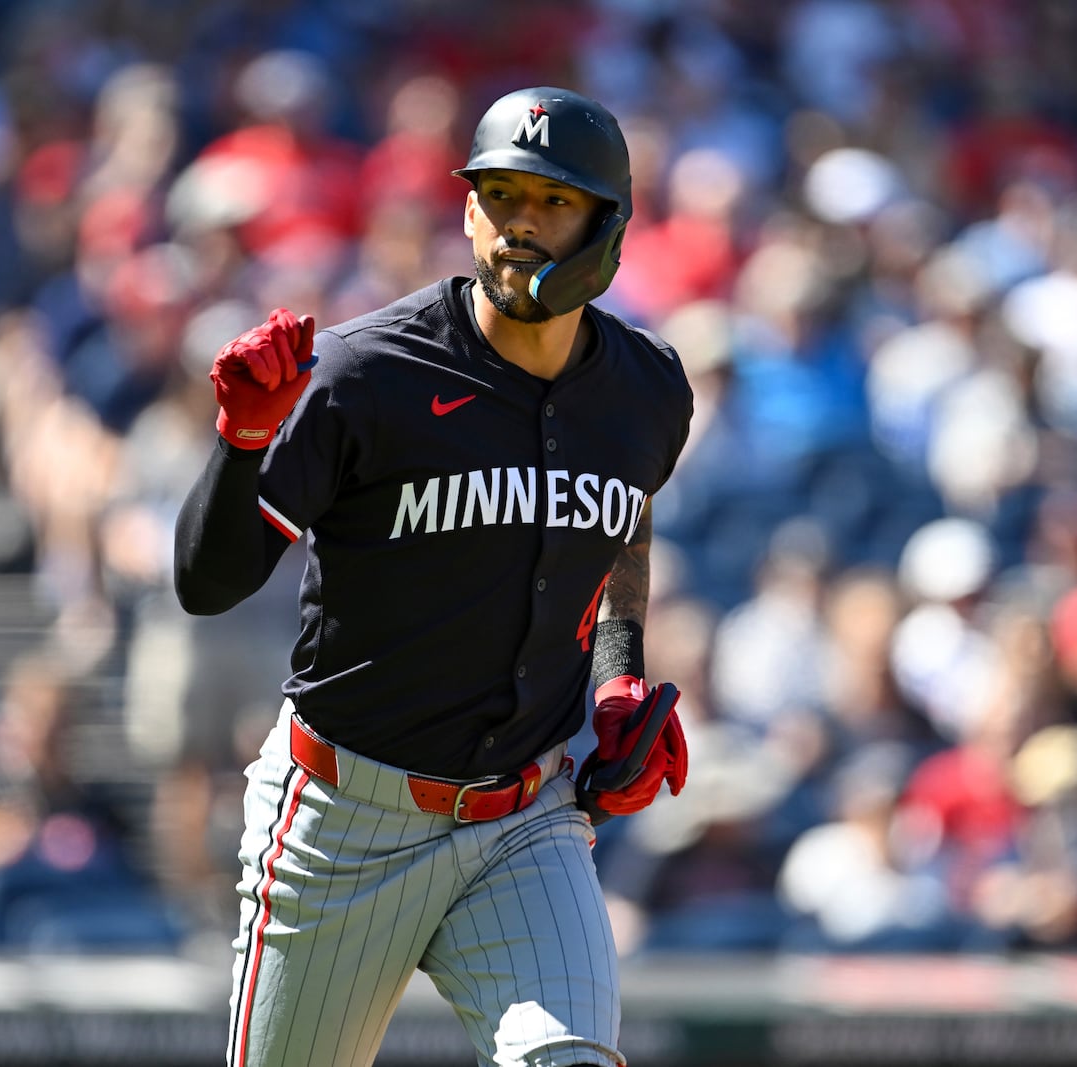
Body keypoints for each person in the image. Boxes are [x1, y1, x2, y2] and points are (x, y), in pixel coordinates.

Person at [173, 86, 694, 1067]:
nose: (520, 225)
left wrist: (619, 671)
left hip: (524, 817)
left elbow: (622, 520)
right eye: (500, 195)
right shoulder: (366, 375)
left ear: (607, 223)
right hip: (342, 820)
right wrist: (243, 444)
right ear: (466, 209)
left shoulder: (645, 388)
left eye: (551, 202)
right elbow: (209, 582)